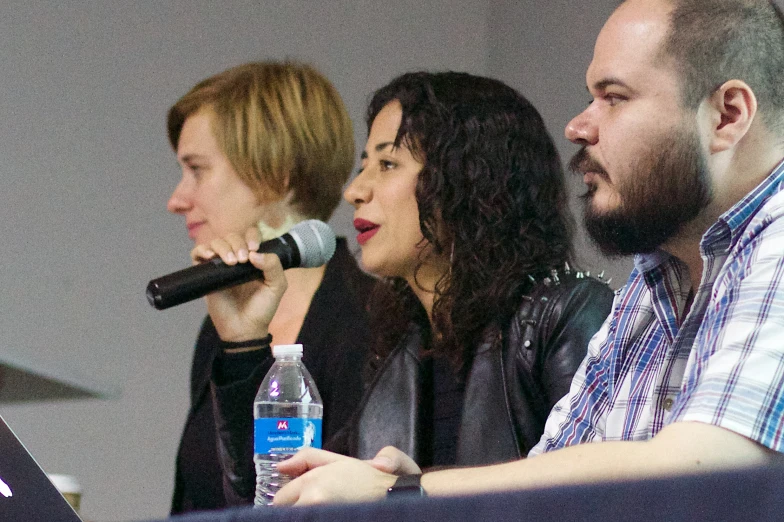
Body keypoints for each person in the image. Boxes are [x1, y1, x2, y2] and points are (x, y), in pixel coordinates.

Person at [266, 0, 784, 505]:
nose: (578, 127)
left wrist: (407, 491)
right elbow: (551, 482)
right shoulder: (652, 288)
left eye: (614, 97)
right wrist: (420, 492)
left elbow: (703, 470)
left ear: (727, 115)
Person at [204, 70, 613, 490]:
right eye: (364, 166)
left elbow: (598, 496)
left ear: (467, 179)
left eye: (387, 164)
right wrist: (242, 342)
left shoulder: (566, 314)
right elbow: (280, 500)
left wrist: (407, 492)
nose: (355, 191)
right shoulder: (398, 350)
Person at [164, 61, 374, 513]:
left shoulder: (371, 321)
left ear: (276, 173)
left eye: (197, 170)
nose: (177, 200)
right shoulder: (218, 326)